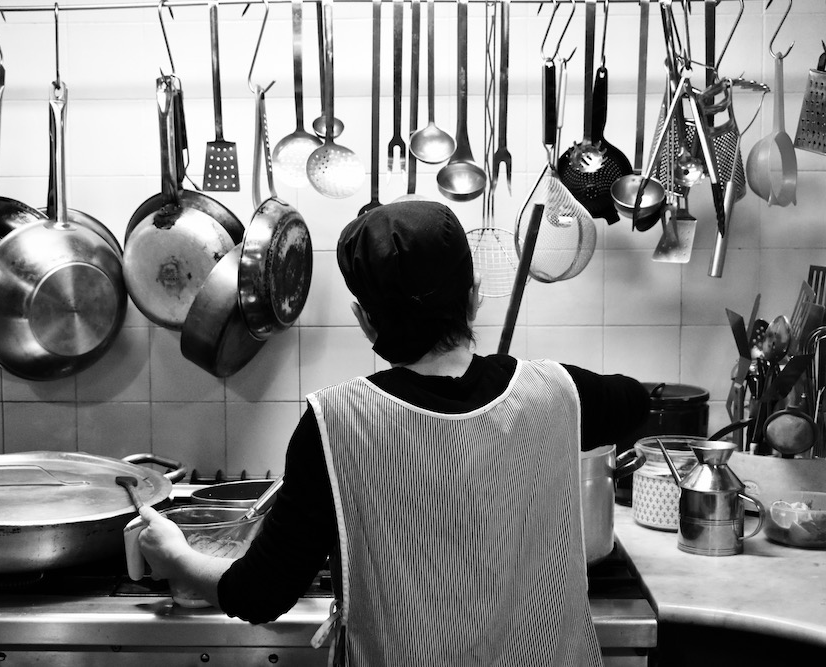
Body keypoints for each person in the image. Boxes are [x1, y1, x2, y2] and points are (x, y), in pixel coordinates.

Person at [138, 200, 649, 666]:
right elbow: (637, 401)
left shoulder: (334, 422)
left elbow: (260, 594)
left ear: (365, 322)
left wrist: (176, 558)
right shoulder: (558, 390)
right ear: (472, 300)